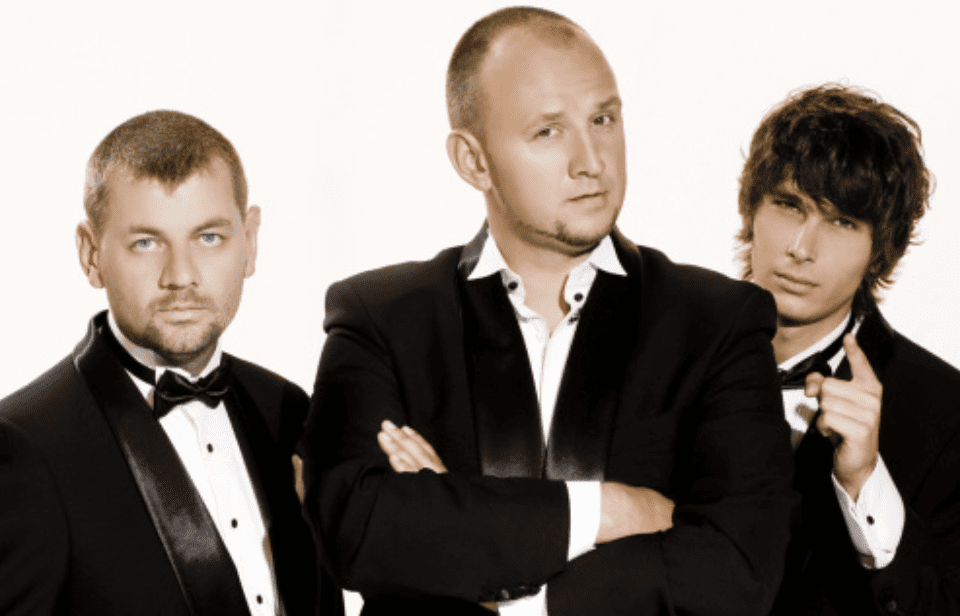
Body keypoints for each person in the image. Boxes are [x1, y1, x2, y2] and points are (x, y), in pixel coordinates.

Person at [301, 7, 795, 615]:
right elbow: (361, 533)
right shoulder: (381, 317)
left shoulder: (718, 321)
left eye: (603, 119)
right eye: (548, 132)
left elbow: (738, 569)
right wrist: (611, 509)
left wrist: (470, 540)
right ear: (473, 161)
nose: (591, 161)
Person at [0, 110, 342, 616]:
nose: (181, 276)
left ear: (250, 241)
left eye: (209, 238)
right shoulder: (24, 444)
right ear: (91, 254)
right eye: (146, 243)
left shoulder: (288, 410)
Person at [737, 84, 960, 615]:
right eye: (788, 205)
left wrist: (864, 483)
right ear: (751, 210)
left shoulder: (946, 413)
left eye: (842, 222)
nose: (801, 248)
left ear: (881, 249)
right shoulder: (666, 346)